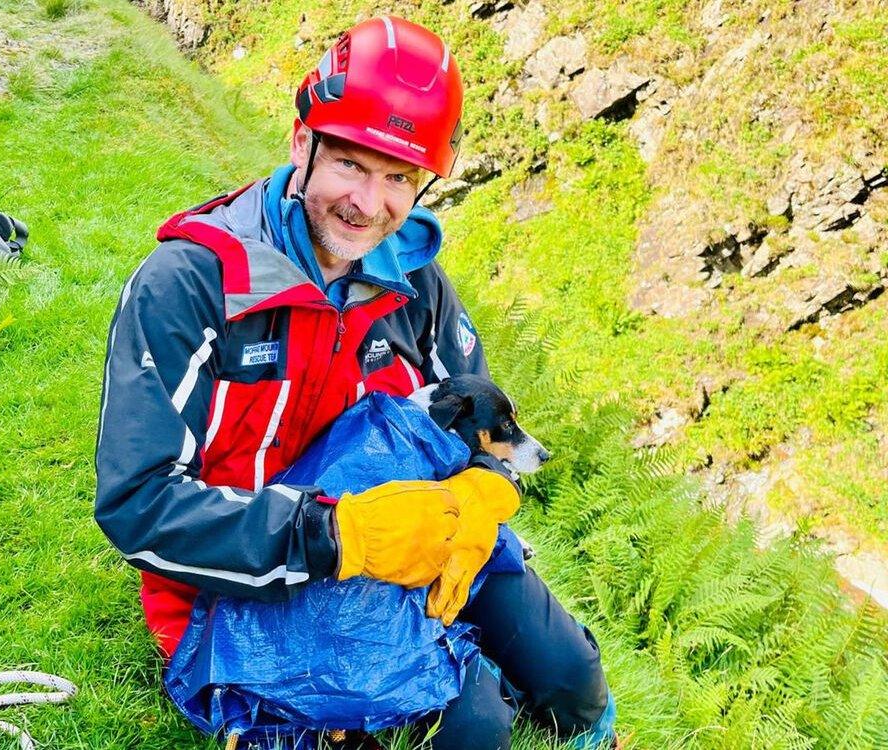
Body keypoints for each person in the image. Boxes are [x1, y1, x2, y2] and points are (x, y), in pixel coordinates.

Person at [94, 15, 614, 749]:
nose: (370, 205)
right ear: (302, 143)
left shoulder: (416, 286)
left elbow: (483, 424)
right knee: (476, 729)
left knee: (571, 677)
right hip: (255, 582)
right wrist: (339, 537)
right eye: (350, 165)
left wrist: (482, 495)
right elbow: (138, 503)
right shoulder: (189, 286)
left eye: (399, 178)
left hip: (418, 543)